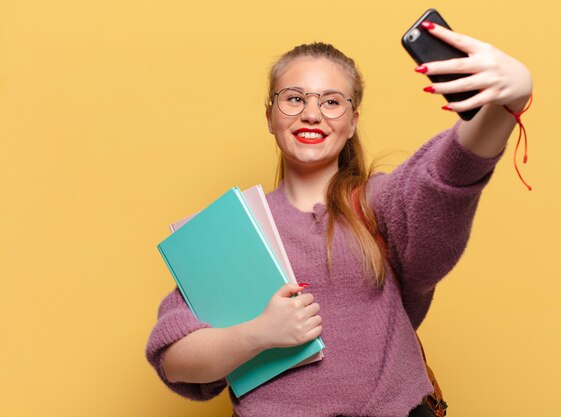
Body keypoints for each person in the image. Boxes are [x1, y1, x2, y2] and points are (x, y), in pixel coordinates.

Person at [145, 21, 532, 417]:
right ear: (269, 116)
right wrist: (259, 333)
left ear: (353, 122)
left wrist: (504, 109)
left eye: (331, 102)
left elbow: (442, 178)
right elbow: (174, 357)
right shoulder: (234, 227)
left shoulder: (377, 203)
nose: (312, 113)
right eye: (294, 98)